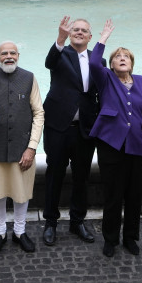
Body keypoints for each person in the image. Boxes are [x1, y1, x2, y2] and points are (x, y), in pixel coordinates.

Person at [87, 21, 142, 257]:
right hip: (112, 144)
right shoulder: (106, 79)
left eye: (126, 56)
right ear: (111, 64)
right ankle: (110, 239)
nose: (122, 58)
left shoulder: (141, 81)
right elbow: (93, 62)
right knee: (113, 195)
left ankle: (130, 237)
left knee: (134, 195)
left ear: (132, 63)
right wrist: (103, 39)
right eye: (117, 57)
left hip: (138, 145)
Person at [0, 41, 45, 255]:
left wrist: (32, 148)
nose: (8, 56)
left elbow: (39, 113)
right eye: (4, 53)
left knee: (21, 192)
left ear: (18, 55)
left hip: (22, 148)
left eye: (12, 53)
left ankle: (20, 231)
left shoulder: (29, 78)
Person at [41, 16, 101, 246]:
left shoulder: (98, 60)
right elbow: (48, 62)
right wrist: (60, 38)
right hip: (58, 127)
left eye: (83, 30)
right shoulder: (60, 54)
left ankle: (77, 221)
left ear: (89, 36)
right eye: (75, 29)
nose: (79, 32)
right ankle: (50, 223)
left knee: (81, 178)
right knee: (54, 175)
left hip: (85, 129)